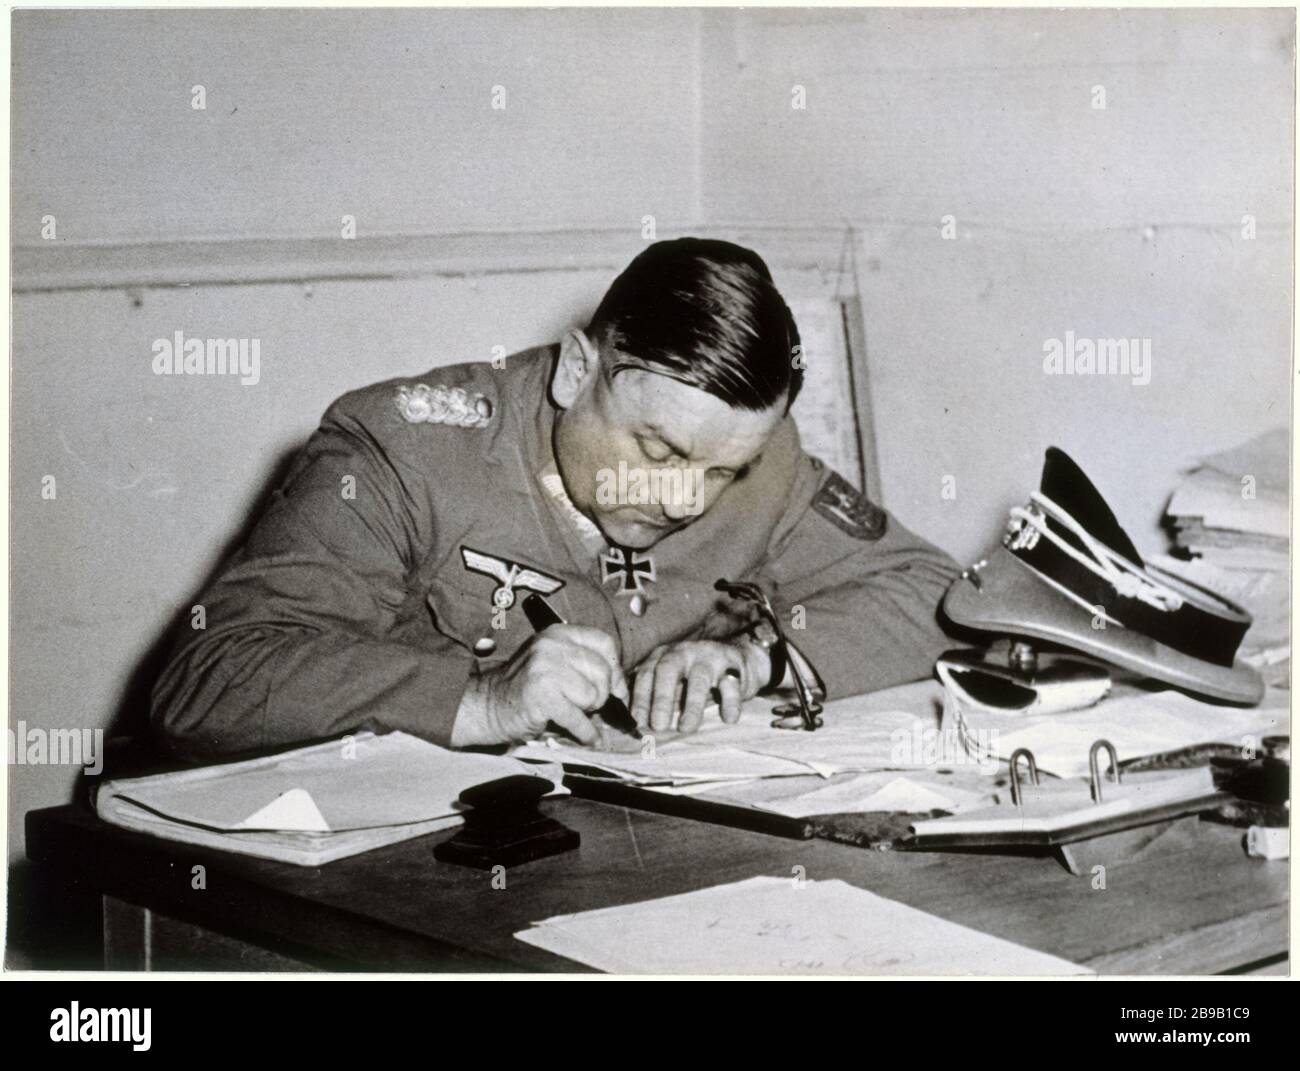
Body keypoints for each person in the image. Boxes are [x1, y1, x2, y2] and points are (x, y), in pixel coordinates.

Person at [153, 238, 959, 757]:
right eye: (658, 449)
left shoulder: (758, 458)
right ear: (577, 372)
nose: (684, 499)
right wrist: (483, 701)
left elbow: (938, 596)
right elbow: (208, 676)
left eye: (721, 471)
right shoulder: (406, 452)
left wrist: (756, 658)